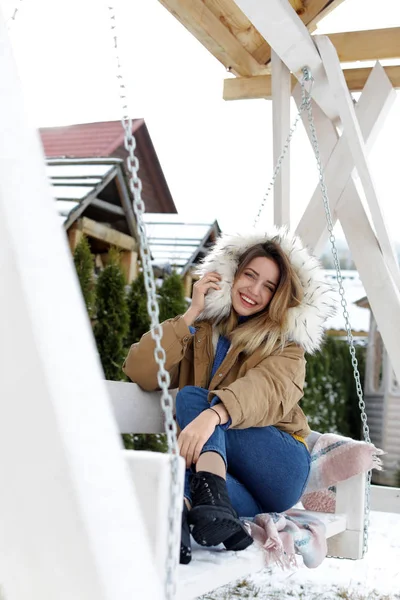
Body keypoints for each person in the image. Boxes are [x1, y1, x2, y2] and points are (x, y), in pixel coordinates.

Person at [123, 229, 335, 565]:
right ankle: (178, 525)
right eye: (250, 275)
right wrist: (190, 315)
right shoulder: (198, 332)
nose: (254, 290)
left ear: (278, 297)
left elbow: (266, 390)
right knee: (191, 487)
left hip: (279, 467)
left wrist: (214, 414)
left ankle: (202, 495)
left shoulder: (286, 346)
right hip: (233, 484)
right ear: (230, 275)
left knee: (193, 398)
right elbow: (140, 371)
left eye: (268, 286)